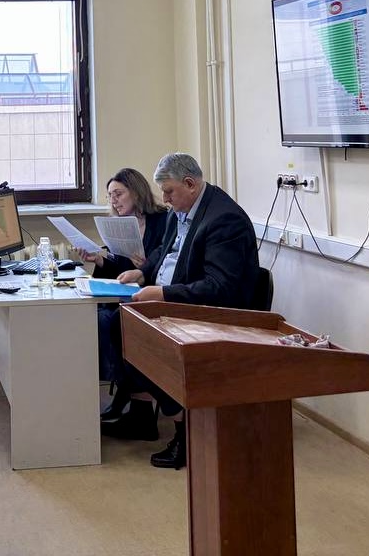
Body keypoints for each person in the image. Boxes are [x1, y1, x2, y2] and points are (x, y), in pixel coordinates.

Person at [105, 152, 260, 470]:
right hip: (172, 301)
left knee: (128, 333)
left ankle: (184, 428)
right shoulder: (183, 210)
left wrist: (162, 293)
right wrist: (142, 273)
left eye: (169, 191)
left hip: (206, 312)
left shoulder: (224, 220)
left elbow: (220, 288)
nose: (164, 199)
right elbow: (165, 252)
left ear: (190, 184)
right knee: (114, 325)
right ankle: (152, 414)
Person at [72, 168, 169, 419]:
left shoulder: (162, 221)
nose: (113, 201)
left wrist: (146, 267)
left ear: (136, 192)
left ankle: (127, 391)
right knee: (95, 316)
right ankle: (123, 388)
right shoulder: (119, 225)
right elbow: (120, 269)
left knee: (107, 321)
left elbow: (170, 265)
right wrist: (99, 260)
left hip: (152, 294)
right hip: (124, 293)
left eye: (118, 194)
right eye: (110, 196)